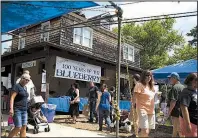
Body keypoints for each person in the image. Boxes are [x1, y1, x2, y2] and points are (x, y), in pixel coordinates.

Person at [133, 70, 155, 137]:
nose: (148, 77)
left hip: (151, 110)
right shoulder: (139, 85)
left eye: (150, 76)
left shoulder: (151, 86)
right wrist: (133, 108)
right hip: (142, 109)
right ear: (143, 76)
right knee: (145, 130)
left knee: (147, 131)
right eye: (147, 75)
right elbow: (134, 97)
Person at [179, 73, 197, 137]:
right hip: (191, 122)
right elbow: (184, 108)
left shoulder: (194, 91)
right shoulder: (186, 92)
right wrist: (188, 125)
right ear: (192, 81)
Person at [167, 72, 185, 137]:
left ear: (175, 78)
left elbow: (173, 102)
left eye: (170, 78)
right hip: (183, 111)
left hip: (176, 112)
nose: (169, 80)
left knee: (179, 130)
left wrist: (168, 113)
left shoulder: (175, 87)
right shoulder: (183, 87)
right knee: (176, 129)